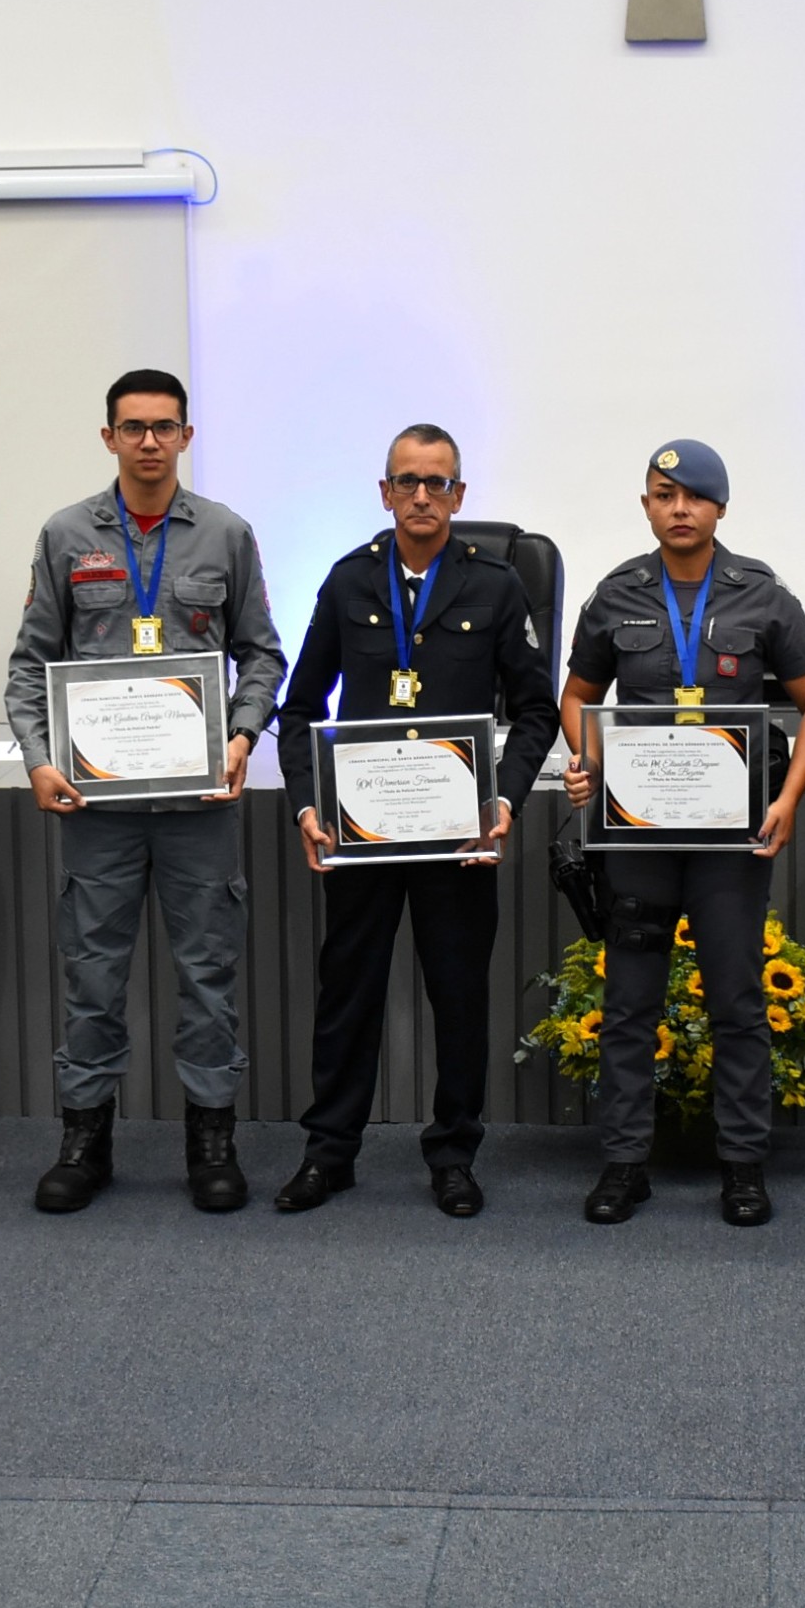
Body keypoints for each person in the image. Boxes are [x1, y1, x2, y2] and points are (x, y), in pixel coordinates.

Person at [7, 368, 285, 1214]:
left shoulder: (227, 534)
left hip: (200, 808)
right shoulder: (65, 535)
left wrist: (239, 735)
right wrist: (39, 760)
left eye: (166, 426)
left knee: (209, 973)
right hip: (98, 810)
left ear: (188, 437)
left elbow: (263, 654)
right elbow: (30, 666)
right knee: (93, 972)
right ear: (109, 438)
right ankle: (85, 1141)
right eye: (134, 427)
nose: (151, 441)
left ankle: (212, 1140)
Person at [271, 425, 559, 1218]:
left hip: (459, 838)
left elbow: (536, 711)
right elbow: (298, 710)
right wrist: (306, 803)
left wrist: (504, 799)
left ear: (460, 496)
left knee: (458, 995)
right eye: (408, 481)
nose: (422, 495)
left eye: (438, 482)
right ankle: (330, 1151)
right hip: (361, 832)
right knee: (348, 993)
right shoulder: (347, 581)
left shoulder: (497, 587)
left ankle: (455, 1153)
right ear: (385, 492)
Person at [560, 439, 805, 1226]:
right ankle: (623, 1163)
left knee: (737, 1000)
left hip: (730, 841)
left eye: (693, 496)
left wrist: (791, 796)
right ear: (646, 505)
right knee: (629, 1002)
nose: (678, 509)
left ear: (720, 507)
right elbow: (577, 695)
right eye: (662, 494)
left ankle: (743, 1166)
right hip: (637, 839)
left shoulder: (763, 596)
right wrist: (588, 756)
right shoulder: (616, 594)